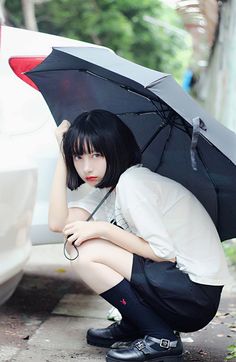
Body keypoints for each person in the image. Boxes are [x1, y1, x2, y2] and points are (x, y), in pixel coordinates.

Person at [48, 109, 230, 362]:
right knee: (76, 243)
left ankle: (160, 337)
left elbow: (163, 253)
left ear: (116, 149)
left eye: (96, 154)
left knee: (86, 250)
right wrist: (61, 154)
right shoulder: (110, 188)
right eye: (78, 156)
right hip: (179, 288)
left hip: (194, 296)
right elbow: (58, 224)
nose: (86, 166)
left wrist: (104, 229)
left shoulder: (133, 183)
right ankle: (136, 324)